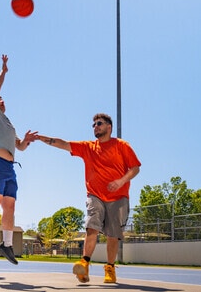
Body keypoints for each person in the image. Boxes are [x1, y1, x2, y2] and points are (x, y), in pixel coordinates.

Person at [35, 113, 141, 284]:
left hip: (119, 197)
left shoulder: (121, 145)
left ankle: (110, 268)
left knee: (112, 236)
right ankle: (84, 263)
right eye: (93, 125)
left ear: (109, 127)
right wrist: (43, 139)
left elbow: (135, 168)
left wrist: (121, 181)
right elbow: (64, 144)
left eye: (99, 123)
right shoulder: (88, 147)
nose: (95, 127)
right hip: (95, 195)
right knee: (91, 227)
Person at [0, 55, 36, 265]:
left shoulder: (8, 124)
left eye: (2, 99)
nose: (0, 100)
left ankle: (6, 245)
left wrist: (27, 141)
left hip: (9, 167)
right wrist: (3, 72)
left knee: (10, 206)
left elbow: (19, 146)